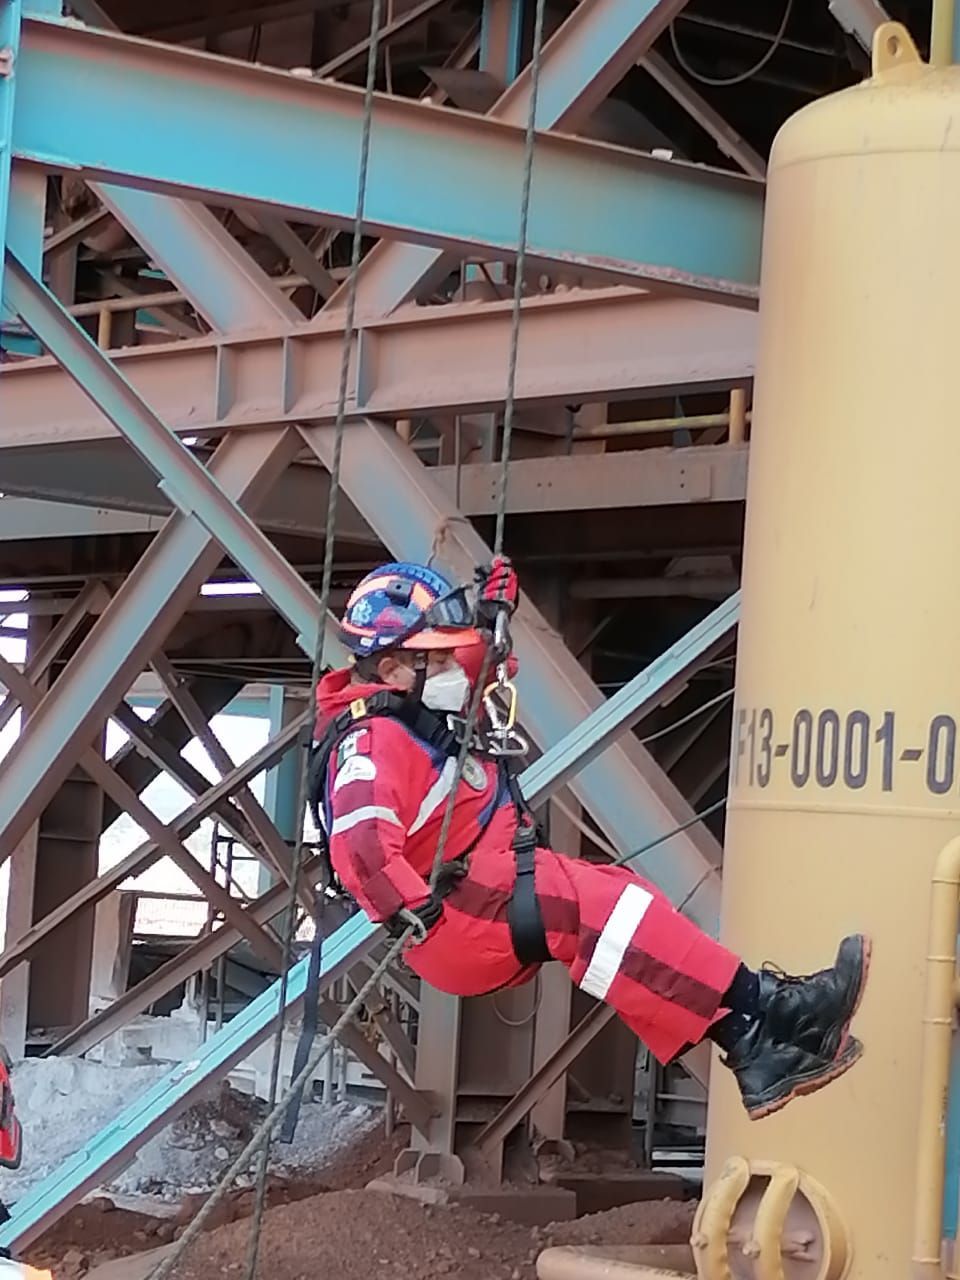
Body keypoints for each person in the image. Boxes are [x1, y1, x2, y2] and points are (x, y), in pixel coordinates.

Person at [309, 559, 870, 1121]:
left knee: (625, 914)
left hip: (479, 890)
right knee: (609, 912)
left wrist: (490, 619)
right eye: (435, 658)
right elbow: (362, 851)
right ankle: (780, 1009)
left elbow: (474, 670)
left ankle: (752, 1044)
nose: (452, 668)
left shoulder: (405, 702)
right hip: (457, 911)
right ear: (390, 667)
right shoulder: (372, 741)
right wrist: (419, 913)